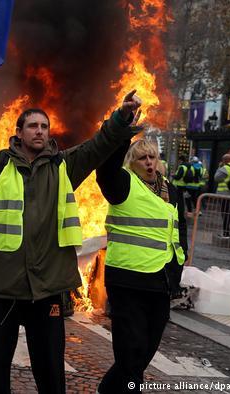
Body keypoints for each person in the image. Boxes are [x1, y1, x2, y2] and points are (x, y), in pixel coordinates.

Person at [0, 91, 142, 393]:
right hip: (4, 287)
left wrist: (121, 117)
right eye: (33, 126)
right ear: (18, 133)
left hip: (46, 288)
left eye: (44, 127)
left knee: (50, 370)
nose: (39, 131)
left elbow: (98, 145)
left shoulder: (64, 166)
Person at [96, 138, 186, 393]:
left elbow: (179, 232)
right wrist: (121, 133)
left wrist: (177, 268)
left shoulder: (171, 190)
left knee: (146, 349)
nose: (149, 162)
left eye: (153, 157)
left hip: (160, 280)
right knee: (131, 349)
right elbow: (105, 170)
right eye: (142, 158)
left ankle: (108, 389)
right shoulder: (122, 183)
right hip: (127, 280)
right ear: (131, 163)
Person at [214, 154, 230, 238]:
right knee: (229, 213)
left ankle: (226, 233)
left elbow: (216, 178)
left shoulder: (225, 168)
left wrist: (219, 167)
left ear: (224, 160)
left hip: (224, 194)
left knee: (225, 213)